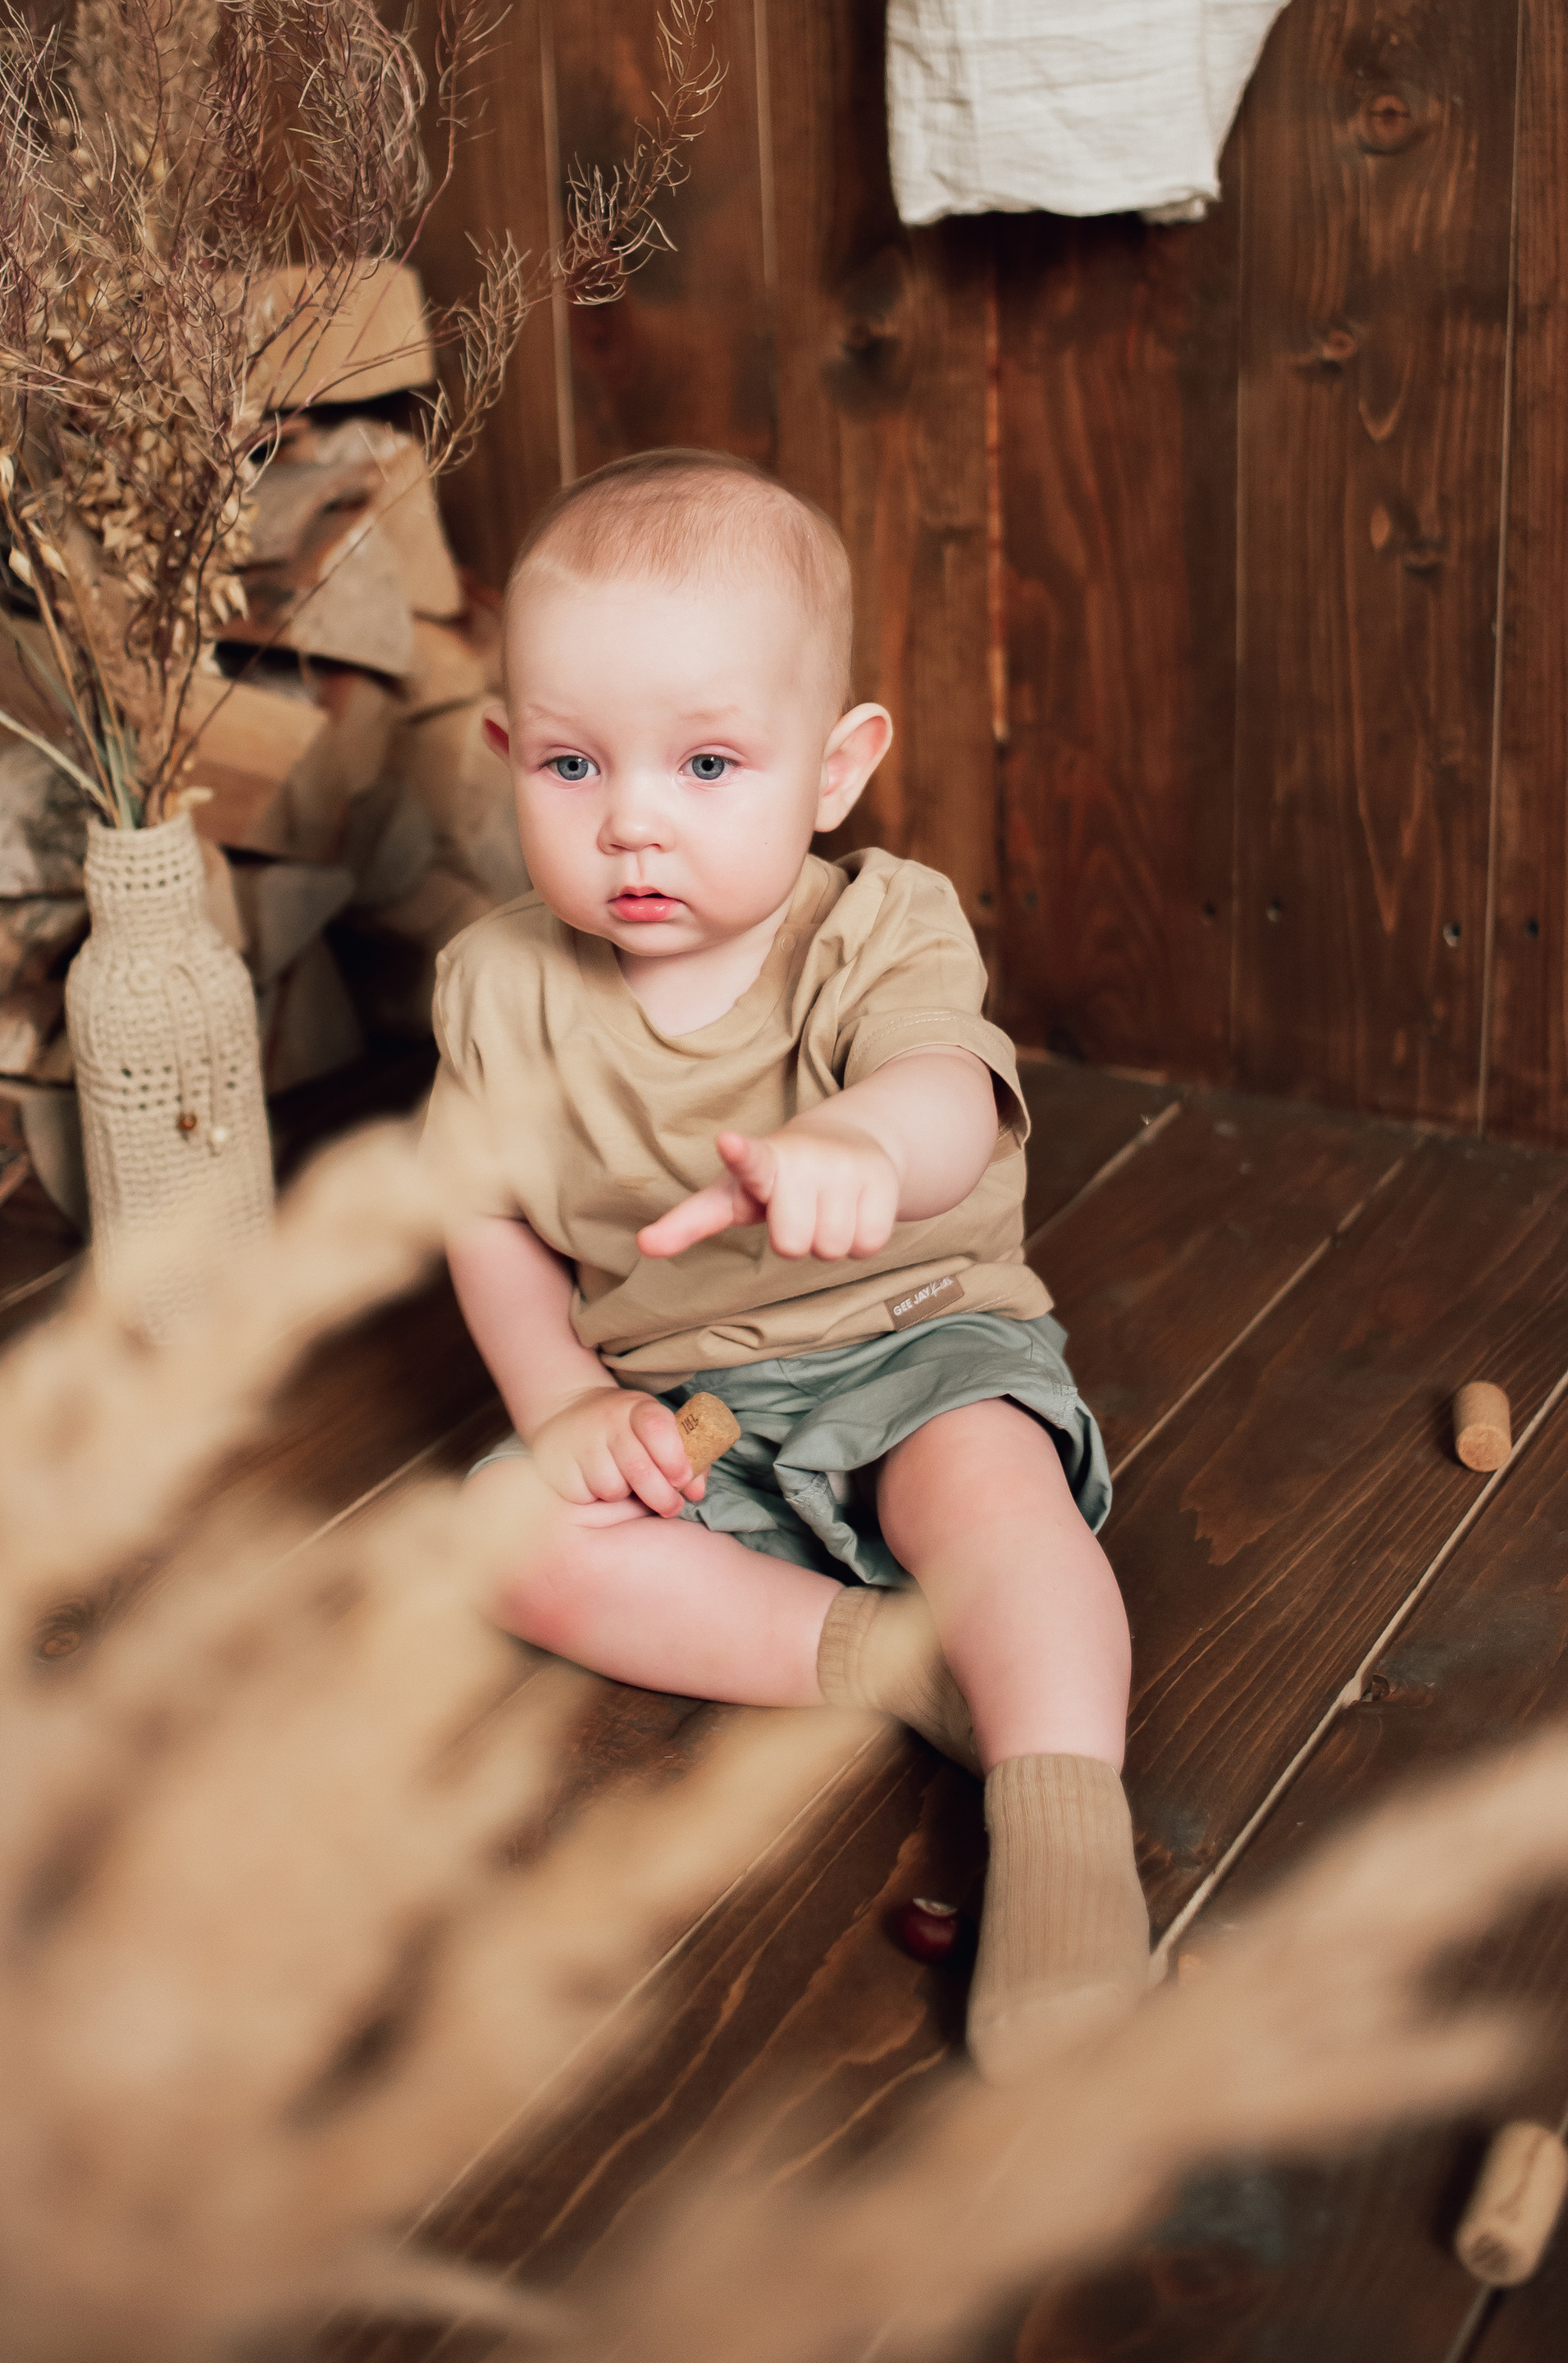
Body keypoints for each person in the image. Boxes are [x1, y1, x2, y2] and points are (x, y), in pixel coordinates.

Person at [426, 449, 1145, 2077]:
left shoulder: (875, 930)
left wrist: (861, 1149)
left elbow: (952, 1099)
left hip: (912, 1335)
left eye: (701, 762)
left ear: (831, 768)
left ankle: (1058, 1828)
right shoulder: (497, 986)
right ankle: (897, 1666)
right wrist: (553, 1401)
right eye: (567, 765)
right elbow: (482, 1212)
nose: (629, 824)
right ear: (502, 760)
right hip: (695, 1411)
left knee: (986, 1501)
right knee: (501, 1532)